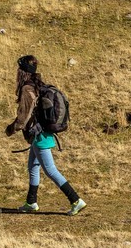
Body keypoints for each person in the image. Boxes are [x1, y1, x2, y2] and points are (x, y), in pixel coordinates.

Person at [6, 54, 86, 215]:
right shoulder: (36, 85)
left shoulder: (27, 89)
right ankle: (31, 202)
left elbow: (24, 116)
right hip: (40, 134)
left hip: (39, 135)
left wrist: (11, 128)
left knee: (50, 170)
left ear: (22, 72)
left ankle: (75, 200)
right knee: (33, 167)